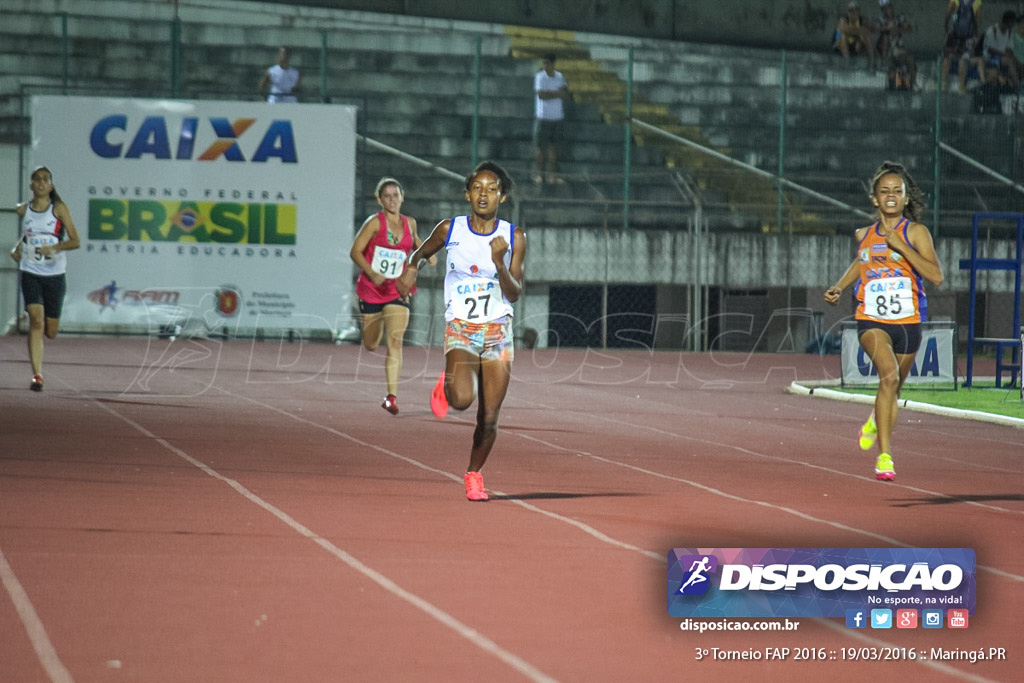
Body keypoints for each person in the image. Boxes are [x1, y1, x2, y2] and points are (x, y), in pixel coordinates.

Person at [396, 161, 526, 501]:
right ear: (468, 193)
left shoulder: (514, 236)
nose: (484, 194)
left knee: (490, 416)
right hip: (462, 329)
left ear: (502, 195)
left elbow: (514, 292)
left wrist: (499, 264)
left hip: (498, 332)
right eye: (477, 188)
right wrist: (411, 268)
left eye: (491, 189)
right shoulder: (449, 229)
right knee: (462, 400)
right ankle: (449, 383)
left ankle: (474, 475)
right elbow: (420, 253)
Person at [824, 161, 943, 481]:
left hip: (909, 322)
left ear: (905, 198)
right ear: (875, 199)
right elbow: (861, 262)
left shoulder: (916, 232)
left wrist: (900, 246)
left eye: (897, 191)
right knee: (888, 378)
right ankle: (885, 457)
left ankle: (875, 420)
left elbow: (936, 276)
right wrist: (839, 285)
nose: (891, 196)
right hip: (872, 320)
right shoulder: (863, 234)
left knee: (894, 387)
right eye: (884, 191)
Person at [350, 177, 432, 415]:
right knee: (372, 344)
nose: (392, 200)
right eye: (387, 196)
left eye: (396, 195)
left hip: (398, 290)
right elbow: (355, 251)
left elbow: (418, 246)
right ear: (380, 200)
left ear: (402, 197)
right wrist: (371, 272)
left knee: (395, 341)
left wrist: (429, 254)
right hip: (372, 290)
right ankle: (369, 330)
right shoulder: (374, 224)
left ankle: (391, 396)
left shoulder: (410, 223)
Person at [9, 166, 81, 392]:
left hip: (54, 275)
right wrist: (17, 249)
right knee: (36, 321)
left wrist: (55, 247)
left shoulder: (58, 209)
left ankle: (39, 365)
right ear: (31, 185)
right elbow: (26, 237)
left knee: (50, 331)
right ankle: (37, 375)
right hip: (31, 272)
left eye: (45, 180)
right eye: (36, 180)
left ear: (50, 185)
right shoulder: (24, 210)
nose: (41, 183)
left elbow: (75, 240)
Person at [532, 54, 569, 185]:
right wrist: (556, 93)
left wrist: (553, 94)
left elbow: (565, 93)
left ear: (553, 64)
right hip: (543, 117)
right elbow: (542, 94)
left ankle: (553, 176)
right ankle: (540, 176)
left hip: (557, 118)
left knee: (554, 149)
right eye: (544, 63)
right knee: (540, 149)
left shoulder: (560, 77)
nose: (545, 66)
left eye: (547, 63)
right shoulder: (540, 77)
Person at [941, 0, 984, 93]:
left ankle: (943, 84)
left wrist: (946, 27)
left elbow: (948, 12)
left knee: (947, 57)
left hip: (953, 34)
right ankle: (961, 86)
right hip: (967, 36)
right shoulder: (977, 1)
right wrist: (976, 34)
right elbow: (978, 19)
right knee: (963, 59)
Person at [874, 0, 916, 90]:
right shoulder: (880, 20)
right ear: (883, 10)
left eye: (890, 7)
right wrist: (887, 28)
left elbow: (909, 28)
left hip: (900, 51)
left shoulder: (899, 18)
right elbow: (874, 29)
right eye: (886, 8)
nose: (889, 10)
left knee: (910, 60)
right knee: (891, 67)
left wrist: (898, 29)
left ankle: (913, 84)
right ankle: (891, 84)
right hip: (888, 52)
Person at [981, 10, 1020, 89]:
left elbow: (1010, 48)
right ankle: (1017, 85)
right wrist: (1004, 54)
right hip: (990, 57)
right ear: (1008, 21)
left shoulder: (1009, 33)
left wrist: (1010, 54)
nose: (1013, 25)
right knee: (1008, 61)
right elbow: (990, 49)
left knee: (1017, 61)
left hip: (1002, 57)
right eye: (1012, 22)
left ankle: (1012, 82)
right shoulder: (992, 30)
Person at [833, 2, 876, 70]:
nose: (855, 13)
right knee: (843, 35)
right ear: (849, 12)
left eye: (857, 10)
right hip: (840, 46)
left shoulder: (862, 20)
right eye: (852, 11)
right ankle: (846, 62)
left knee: (865, 36)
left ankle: (872, 60)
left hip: (856, 45)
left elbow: (867, 30)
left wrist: (853, 30)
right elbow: (841, 31)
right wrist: (859, 30)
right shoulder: (843, 19)